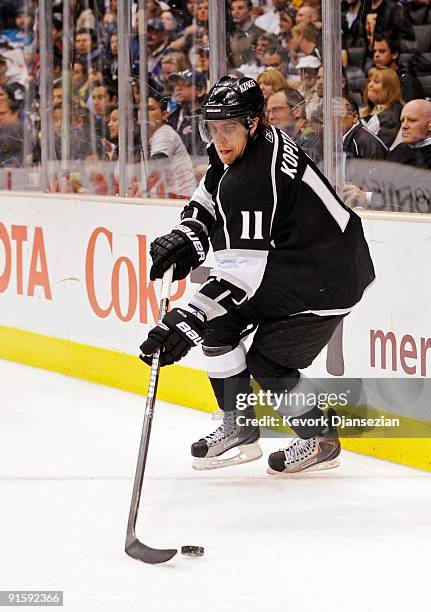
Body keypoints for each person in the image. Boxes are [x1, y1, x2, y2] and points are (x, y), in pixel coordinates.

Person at [139, 75, 375, 475]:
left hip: (326, 277)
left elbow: (240, 275)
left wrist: (187, 320)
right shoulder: (241, 147)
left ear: (253, 123)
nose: (219, 139)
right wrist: (187, 237)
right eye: (212, 129)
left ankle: (321, 439)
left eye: (228, 127)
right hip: (291, 262)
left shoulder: (255, 178)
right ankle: (240, 426)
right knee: (218, 328)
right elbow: (208, 194)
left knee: (269, 363)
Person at [343, 99, 431, 209]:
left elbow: (423, 201)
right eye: (402, 120)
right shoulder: (401, 148)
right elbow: (377, 182)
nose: (404, 126)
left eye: (412, 120)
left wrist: (368, 198)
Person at [146, 91, 197, 197]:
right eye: (140, 109)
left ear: (164, 115)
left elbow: (156, 172)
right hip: (172, 197)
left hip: (179, 198)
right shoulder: (153, 135)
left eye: (150, 109)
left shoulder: (164, 133)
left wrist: (140, 192)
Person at [266, 86, 321, 163]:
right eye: (268, 112)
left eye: (276, 109)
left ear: (297, 111)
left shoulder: (311, 138)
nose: (270, 117)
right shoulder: (289, 139)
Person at [167, 69, 208, 157]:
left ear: (200, 91)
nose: (178, 88)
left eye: (185, 84)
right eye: (177, 84)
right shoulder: (171, 116)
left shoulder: (206, 119)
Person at [360, 66, 403, 149]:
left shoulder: (392, 116)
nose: (370, 85)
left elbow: (380, 149)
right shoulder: (366, 110)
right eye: (369, 81)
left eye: (376, 82)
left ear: (389, 88)